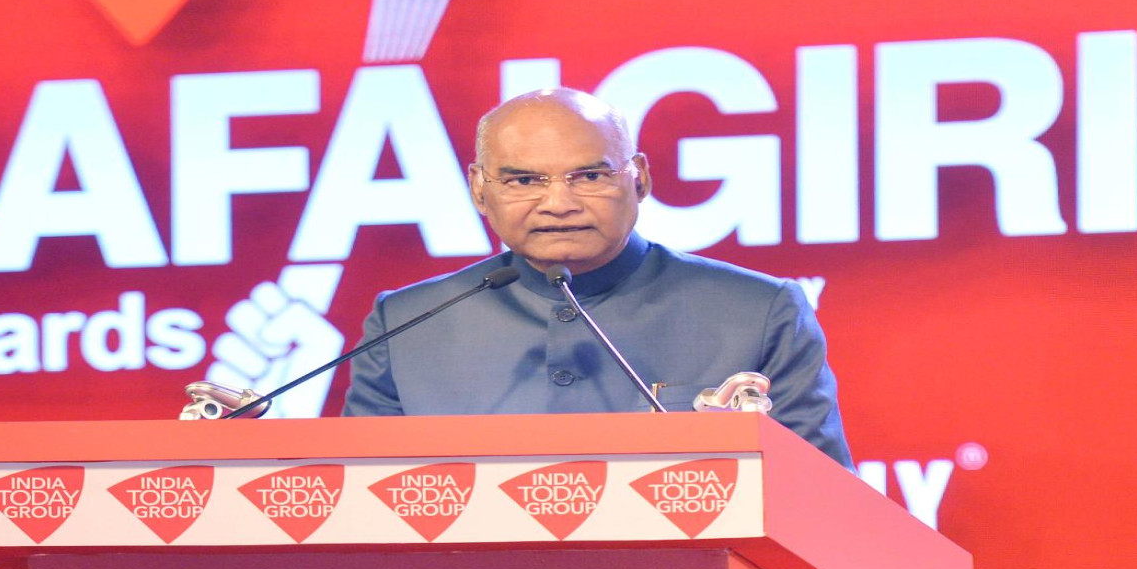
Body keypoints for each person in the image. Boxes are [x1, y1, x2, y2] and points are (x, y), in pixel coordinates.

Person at [342, 88, 853, 468]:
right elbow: (358, 505)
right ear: (479, 189)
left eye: (589, 176)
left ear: (640, 178)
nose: (558, 203)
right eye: (524, 180)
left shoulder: (758, 311)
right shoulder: (405, 324)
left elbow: (823, 501)